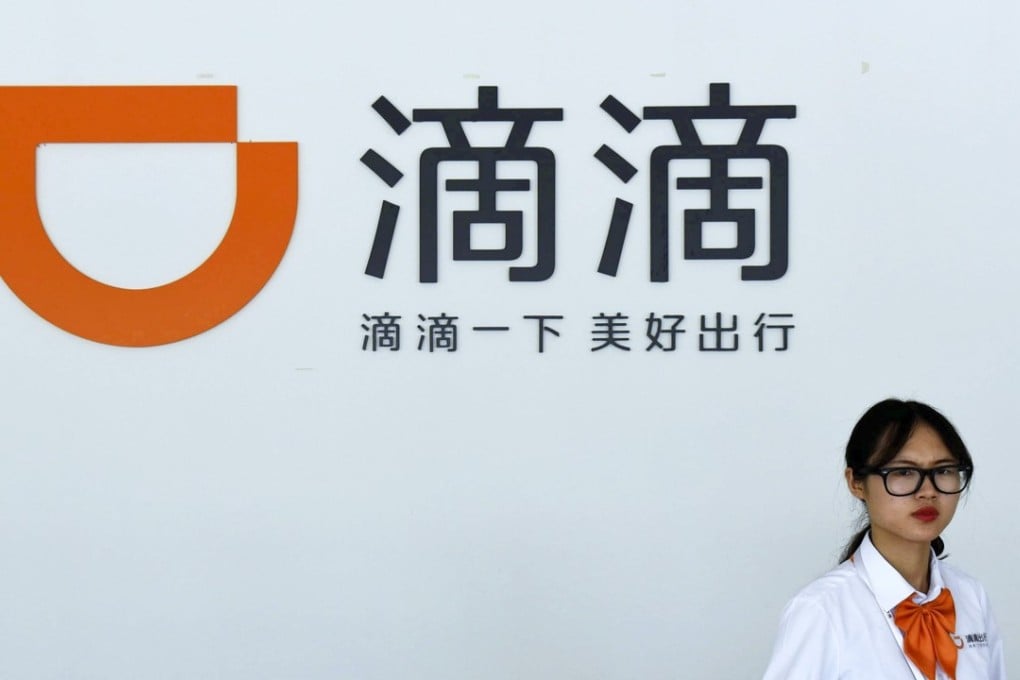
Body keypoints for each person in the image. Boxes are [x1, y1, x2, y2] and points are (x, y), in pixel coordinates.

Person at [762, 399, 1006, 679]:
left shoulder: (971, 595)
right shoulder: (822, 609)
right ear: (856, 483)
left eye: (943, 471)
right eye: (903, 472)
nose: (928, 491)